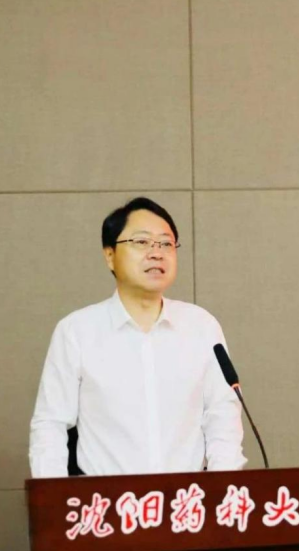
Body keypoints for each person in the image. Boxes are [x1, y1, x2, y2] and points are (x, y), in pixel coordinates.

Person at [28, 197, 247, 478]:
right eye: (141, 242)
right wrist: (55, 499)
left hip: (187, 499)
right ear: (110, 255)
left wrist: (223, 489)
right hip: (105, 500)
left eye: (166, 244)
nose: (156, 253)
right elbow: (50, 424)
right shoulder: (77, 331)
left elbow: (223, 418)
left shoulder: (201, 326)